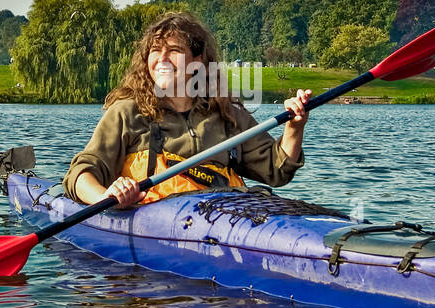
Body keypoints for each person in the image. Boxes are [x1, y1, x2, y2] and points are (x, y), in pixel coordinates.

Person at [65, 11, 312, 207]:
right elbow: (80, 174)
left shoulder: (227, 114)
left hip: (220, 227)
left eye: (173, 51)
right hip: (150, 227)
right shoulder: (127, 113)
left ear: (197, 62)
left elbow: (277, 171)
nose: (161, 59)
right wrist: (107, 197)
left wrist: (294, 127)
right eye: (154, 51)